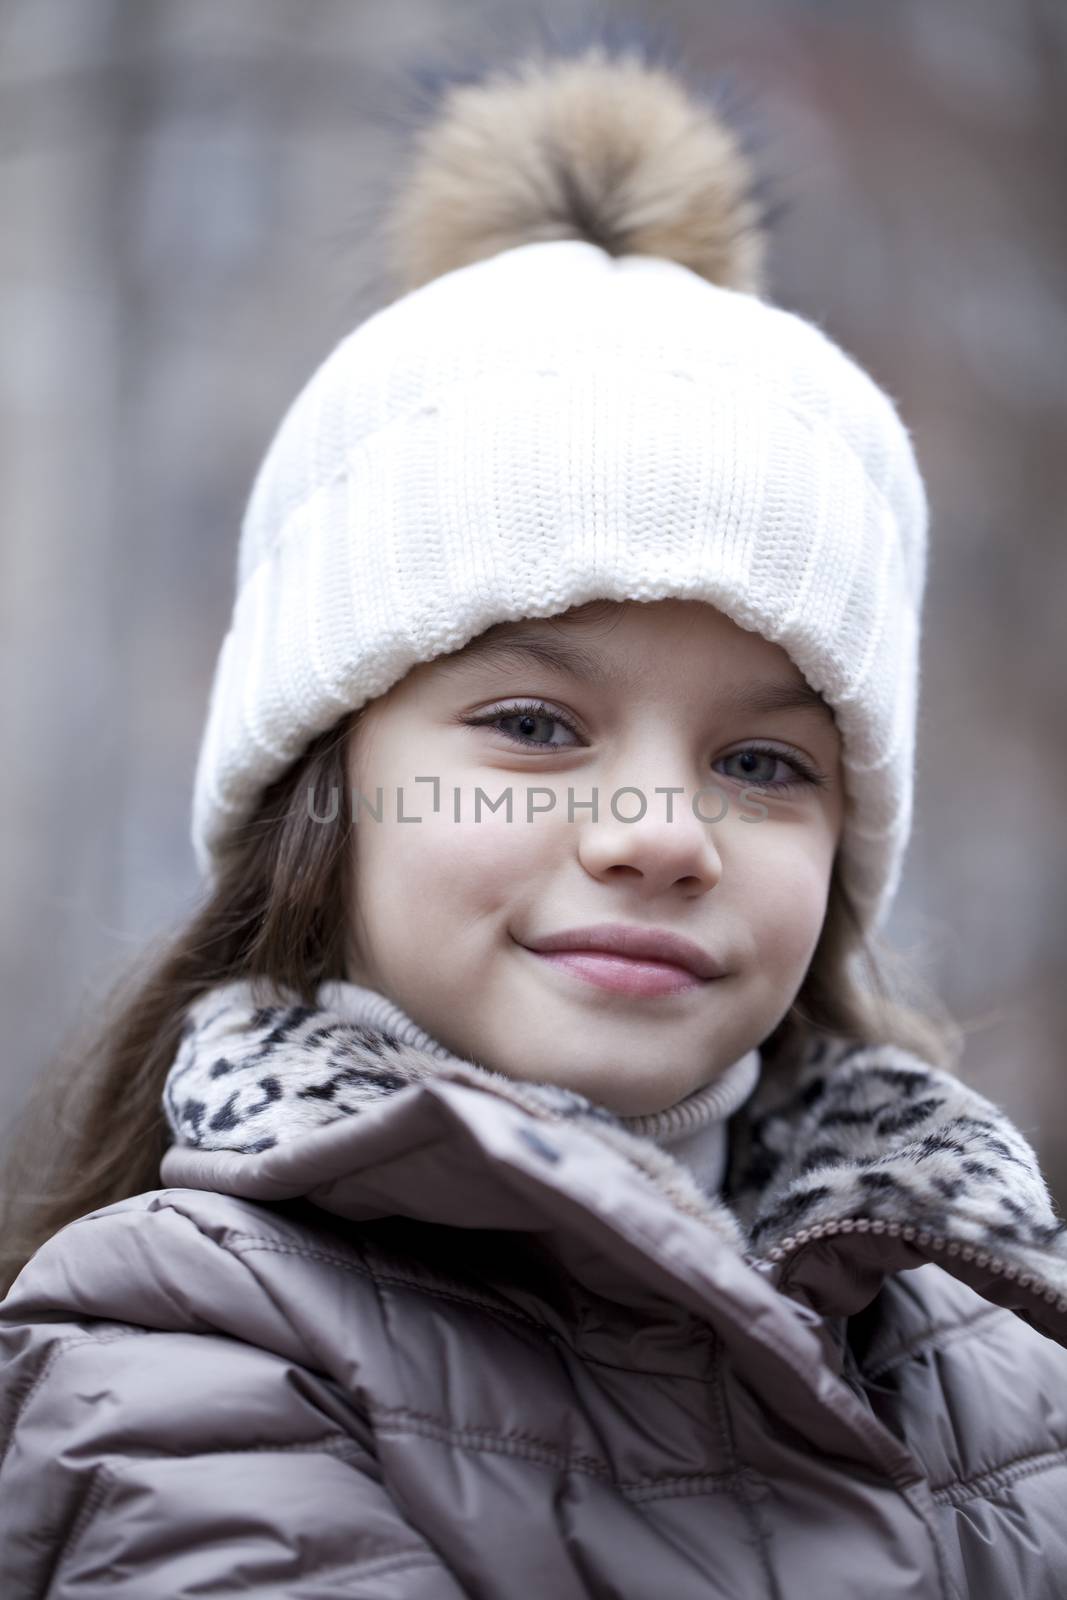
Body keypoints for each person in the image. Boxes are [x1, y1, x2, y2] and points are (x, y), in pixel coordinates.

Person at [2, 42, 1066, 1600]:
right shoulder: (181, 1346)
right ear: (328, 799)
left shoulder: (989, 1333)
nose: (660, 830)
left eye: (764, 765)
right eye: (533, 727)